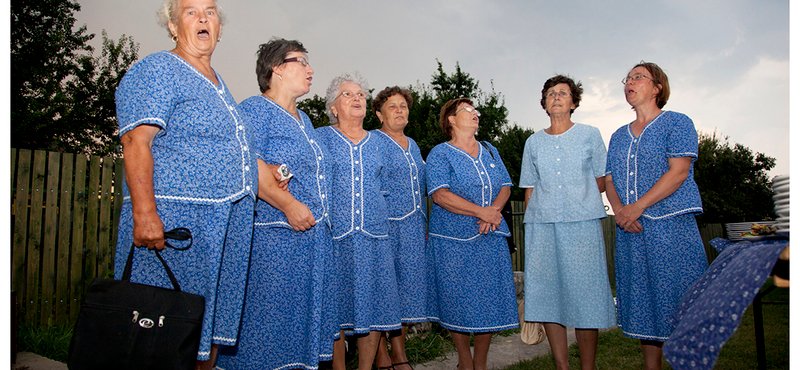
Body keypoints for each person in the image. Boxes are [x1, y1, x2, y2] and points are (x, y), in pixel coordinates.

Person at [113, 0, 257, 368]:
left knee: (205, 334)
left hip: (222, 228)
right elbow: (135, 141)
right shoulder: (159, 69)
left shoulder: (219, 84)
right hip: (178, 227)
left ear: (219, 29)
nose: (203, 17)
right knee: (163, 332)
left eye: (210, 11)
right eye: (191, 11)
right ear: (174, 27)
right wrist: (145, 214)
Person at [215, 38, 337, 370]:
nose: (311, 70)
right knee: (266, 324)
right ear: (277, 69)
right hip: (275, 242)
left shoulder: (306, 122)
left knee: (295, 333)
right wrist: (288, 205)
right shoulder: (256, 109)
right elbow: (249, 163)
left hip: (310, 244)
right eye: (302, 62)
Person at [605, 62, 707, 370]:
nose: (629, 82)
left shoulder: (677, 122)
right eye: (627, 78)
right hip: (632, 231)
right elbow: (609, 180)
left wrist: (637, 207)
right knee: (646, 305)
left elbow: (678, 172)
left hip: (671, 228)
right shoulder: (618, 136)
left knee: (679, 302)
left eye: (638, 77)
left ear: (657, 87)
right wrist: (622, 212)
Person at [519, 75, 616, 370]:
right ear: (545, 104)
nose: (556, 97)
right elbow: (529, 188)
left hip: (583, 224)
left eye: (563, 93)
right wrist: (533, 221)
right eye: (550, 94)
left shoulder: (590, 134)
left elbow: (601, 178)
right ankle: (562, 366)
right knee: (548, 296)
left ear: (574, 102)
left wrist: (576, 199)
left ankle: (587, 367)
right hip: (542, 227)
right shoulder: (533, 142)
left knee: (586, 297)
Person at [316, 73, 402, 370]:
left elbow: (387, 188)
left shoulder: (380, 142)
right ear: (333, 106)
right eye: (348, 95)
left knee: (376, 305)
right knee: (336, 306)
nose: (357, 99)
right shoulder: (320, 137)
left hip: (374, 235)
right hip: (335, 236)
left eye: (361, 95)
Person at [425, 98, 519, 370]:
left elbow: (505, 185)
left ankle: (480, 362)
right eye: (468, 110)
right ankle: (464, 360)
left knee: (487, 300)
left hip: (490, 235)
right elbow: (441, 195)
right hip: (453, 241)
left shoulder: (490, 149)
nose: (475, 114)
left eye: (476, 111)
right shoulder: (440, 153)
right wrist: (480, 212)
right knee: (458, 300)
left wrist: (493, 212)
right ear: (451, 120)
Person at [370, 86, 427, 370]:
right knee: (384, 291)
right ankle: (382, 357)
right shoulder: (373, 141)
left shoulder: (414, 145)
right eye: (392, 106)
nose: (399, 110)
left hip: (414, 227)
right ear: (379, 114)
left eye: (403, 105)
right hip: (387, 227)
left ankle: (400, 353)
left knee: (407, 292)